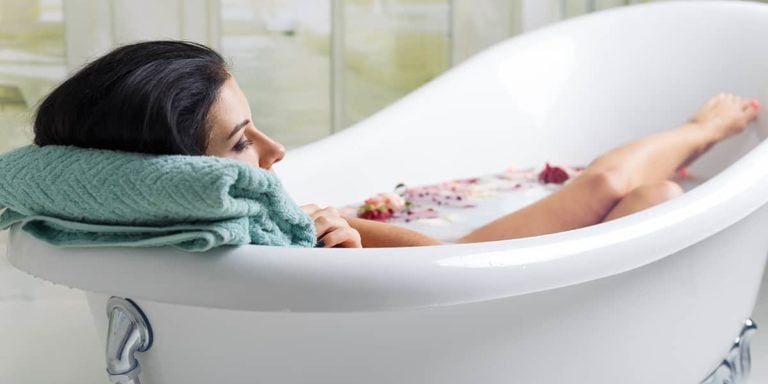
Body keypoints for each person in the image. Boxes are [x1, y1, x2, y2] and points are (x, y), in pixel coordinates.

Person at [32, 41, 761, 248]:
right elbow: (439, 271)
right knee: (632, 192)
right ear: (178, 174)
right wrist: (347, 253)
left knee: (640, 193)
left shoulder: (193, 230)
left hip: (433, 240)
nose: (277, 152)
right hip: (475, 267)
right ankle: (703, 130)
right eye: (242, 143)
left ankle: (689, 152)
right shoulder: (276, 252)